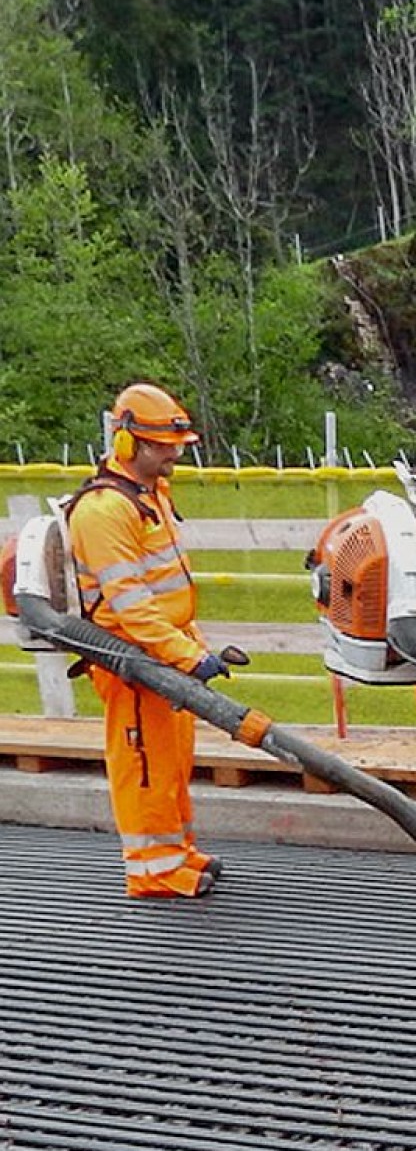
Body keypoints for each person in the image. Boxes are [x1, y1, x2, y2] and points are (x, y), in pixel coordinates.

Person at [65, 381, 230, 899]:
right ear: (128, 443)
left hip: (165, 652)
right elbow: (132, 606)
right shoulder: (103, 512)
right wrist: (187, 656)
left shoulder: (150, 494)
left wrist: (195, 646)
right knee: (143, 766)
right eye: (163, 446)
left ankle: (177, 850)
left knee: (172, 760)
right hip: (132, 661)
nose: (174, 455)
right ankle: (151, 869)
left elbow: (167, 586)